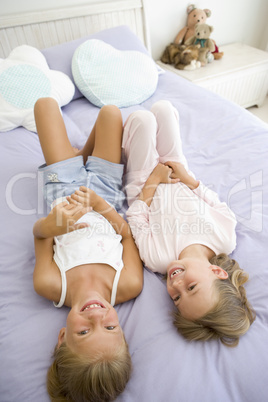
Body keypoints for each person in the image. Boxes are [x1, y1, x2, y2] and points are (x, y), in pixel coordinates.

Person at [33, 97, 143, 402]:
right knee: (110, 113)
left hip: (60, 188)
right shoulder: (127, 285)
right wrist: (100, 205)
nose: (97, 317)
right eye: (109, 328)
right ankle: (81, 155)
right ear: (121, 333)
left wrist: (52, 226)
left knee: (44, 105)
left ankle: (75, 159)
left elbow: (39, 236)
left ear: (62, 339)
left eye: (84, 333)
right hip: (107, 190)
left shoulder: (51, 285)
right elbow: (128, 237)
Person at [122, 100, 255, 347]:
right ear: (216, 272)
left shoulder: (159, 260)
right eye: (191, 287)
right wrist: (187, 178)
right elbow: (215, 204)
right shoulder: (224, 239)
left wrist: (152, 180)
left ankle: (129, 145)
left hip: (143, 183)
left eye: (176, 299)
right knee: (163, 109)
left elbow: (136, 217)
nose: (176, 287)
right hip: (179, 173)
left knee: (143, 120)